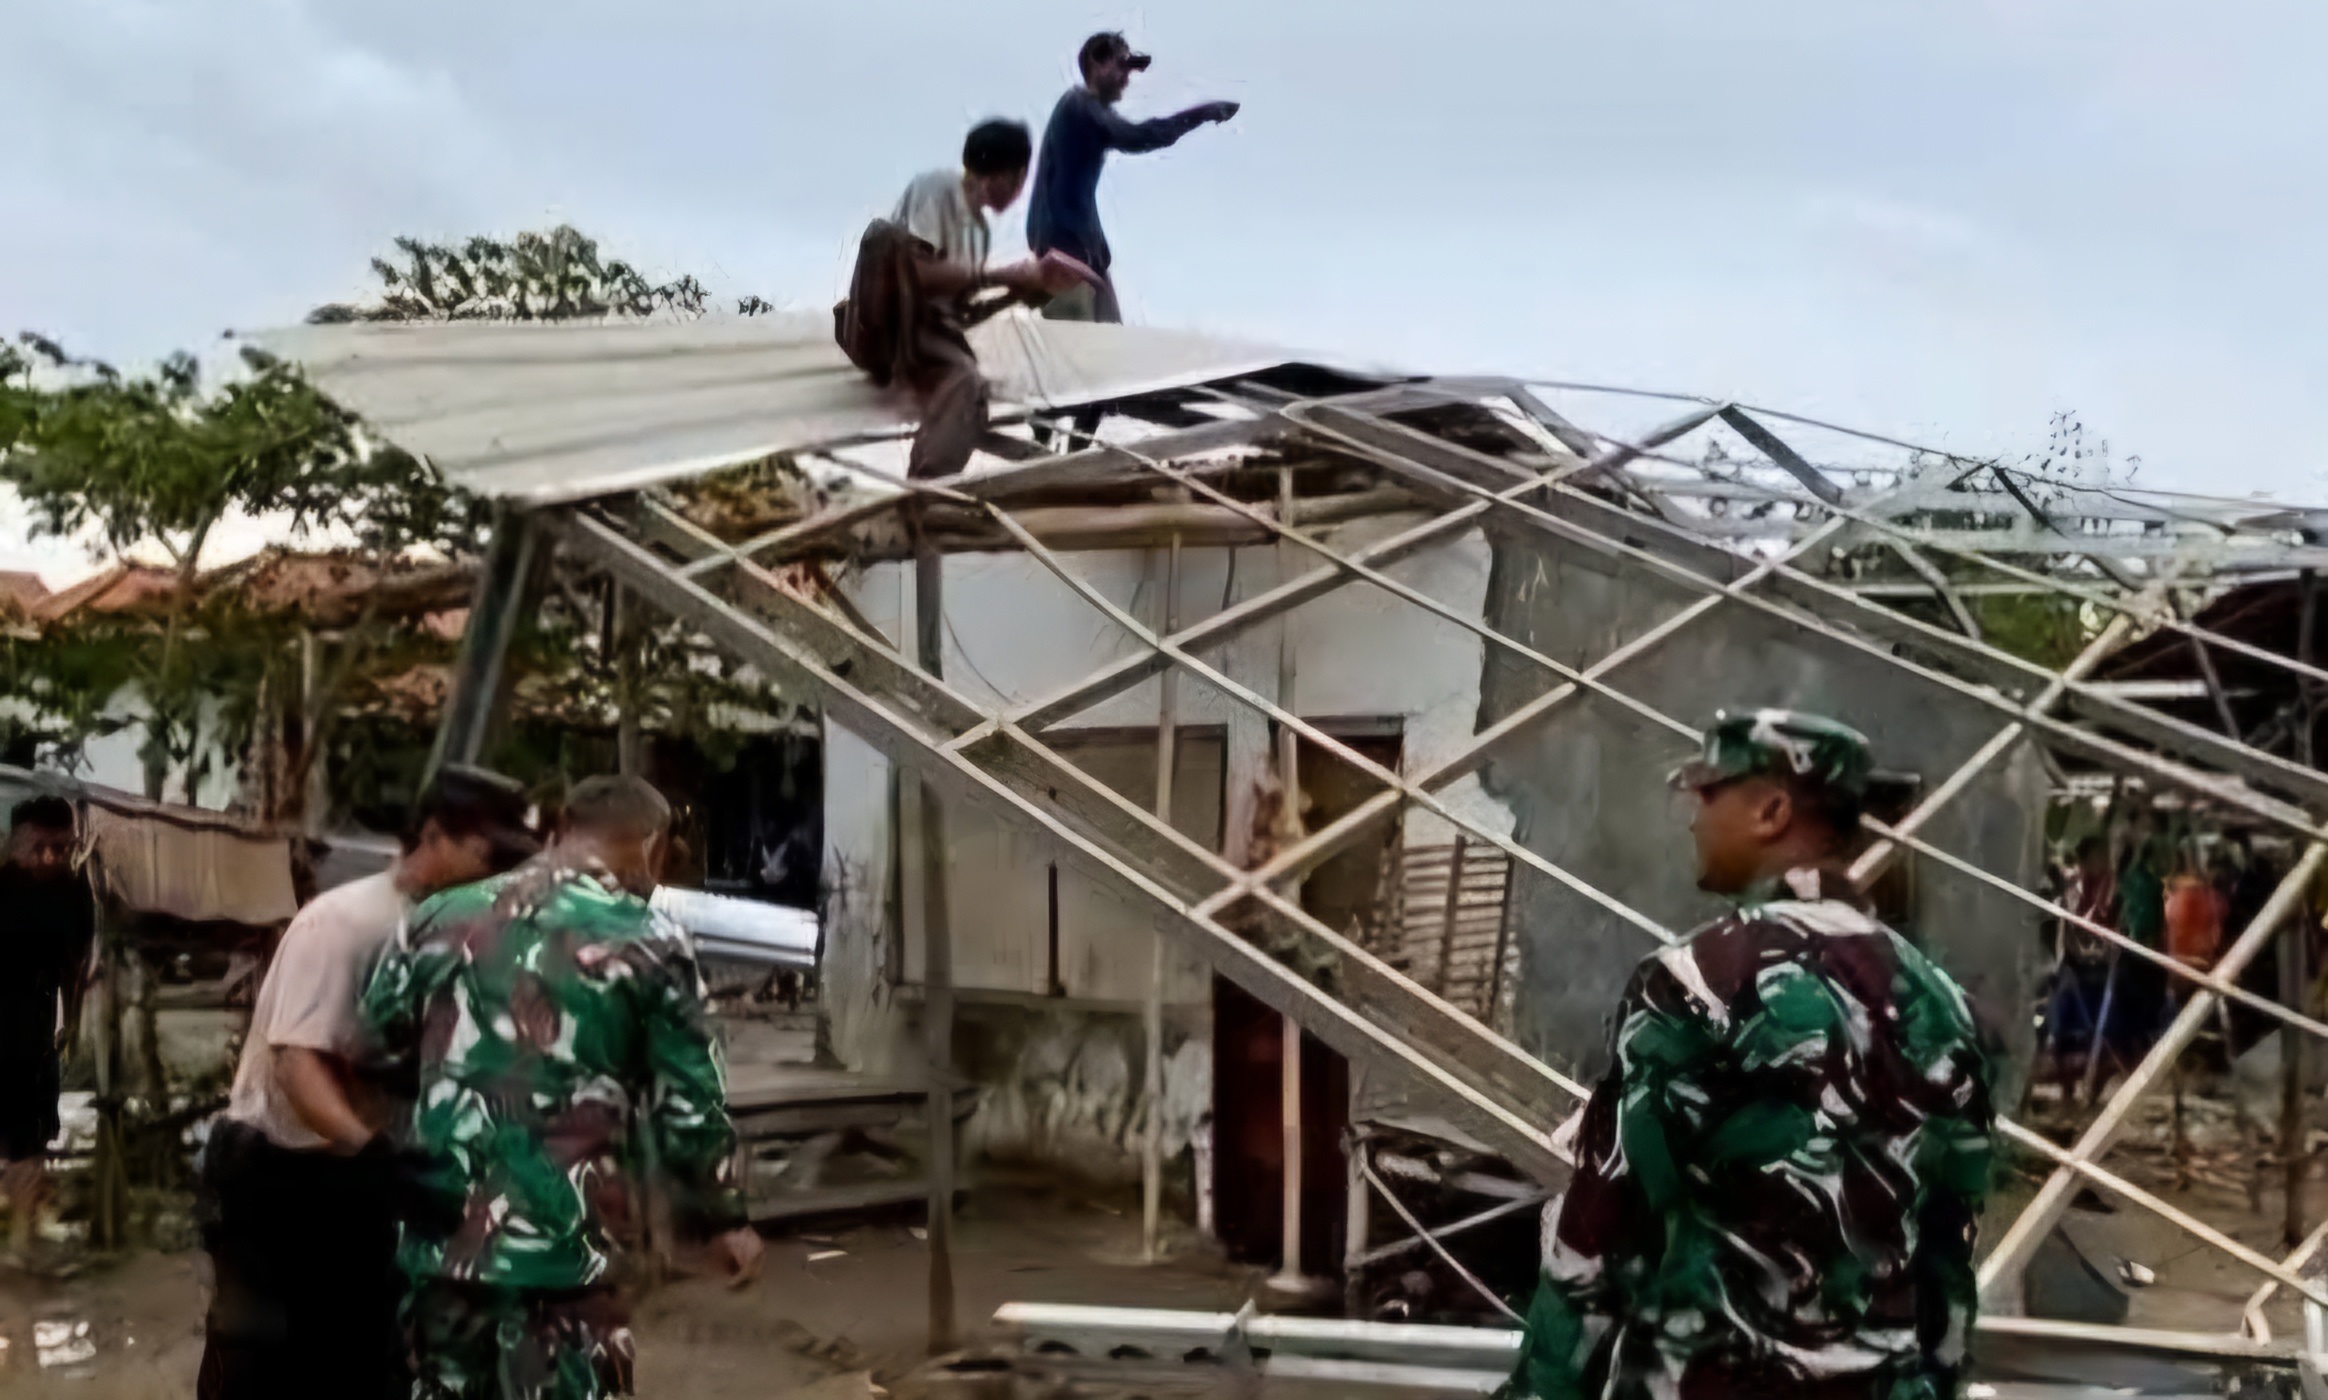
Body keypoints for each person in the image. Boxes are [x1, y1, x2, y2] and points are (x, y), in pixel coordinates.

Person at [1505, 710, 1996, 1400]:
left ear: (1770, 809)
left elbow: (1600, 1238)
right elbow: (1949, 1251)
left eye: (1709, 793)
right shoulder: (1947, 1005)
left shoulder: (1698, 981)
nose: (1691, 817)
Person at [363, 774, 763, 1400]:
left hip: (443, 1248)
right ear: (652, 848)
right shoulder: (648, 940)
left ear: (556, 833)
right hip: (566, 1254)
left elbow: (375, 1045)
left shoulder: (440, 917)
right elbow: (686, 1102)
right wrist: (721, 1218)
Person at [198, 766, 540, 1400]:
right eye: (490, 853)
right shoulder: (347, 924)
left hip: (361, 1169)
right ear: (435, 838)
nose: (501, 872)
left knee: (367, 1356)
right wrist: (376, 1155)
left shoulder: (454, 931)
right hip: (281, 1171)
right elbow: (297, 1064)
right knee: (266, 1363)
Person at [834, 118, 1091, 481]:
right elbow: (914, 273)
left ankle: (929, 484)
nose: (1019, 190)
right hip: (878, 321)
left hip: (917, 340)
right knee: (964, 378)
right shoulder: (939, 188)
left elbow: (957, 316)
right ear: (1010, 176)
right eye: (1020, 179)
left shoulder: (979, 233)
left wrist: (1013, 295)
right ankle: (927, 493)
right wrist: (1005, 274)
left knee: (970, 387)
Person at [1027, 31, 1239, 326]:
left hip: (1085, 255)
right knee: (1082, 354)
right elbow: (1139, 136)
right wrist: (1202, 114)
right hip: (1065, 256)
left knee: (1113, 346)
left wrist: (1098, 254)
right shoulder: (1079, 106)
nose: (1127, 78)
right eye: (1121, 66)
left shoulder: (1086, 112)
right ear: (1095, 63)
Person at [0, 796, 94, 1265]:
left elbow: (77, 967)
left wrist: (73, 1024)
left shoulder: (73, 893)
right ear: (15, 841)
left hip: (34, 1041)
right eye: (40, 847)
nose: (50, 858)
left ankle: (22, 1246)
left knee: (30, 1143)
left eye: (61, 848)